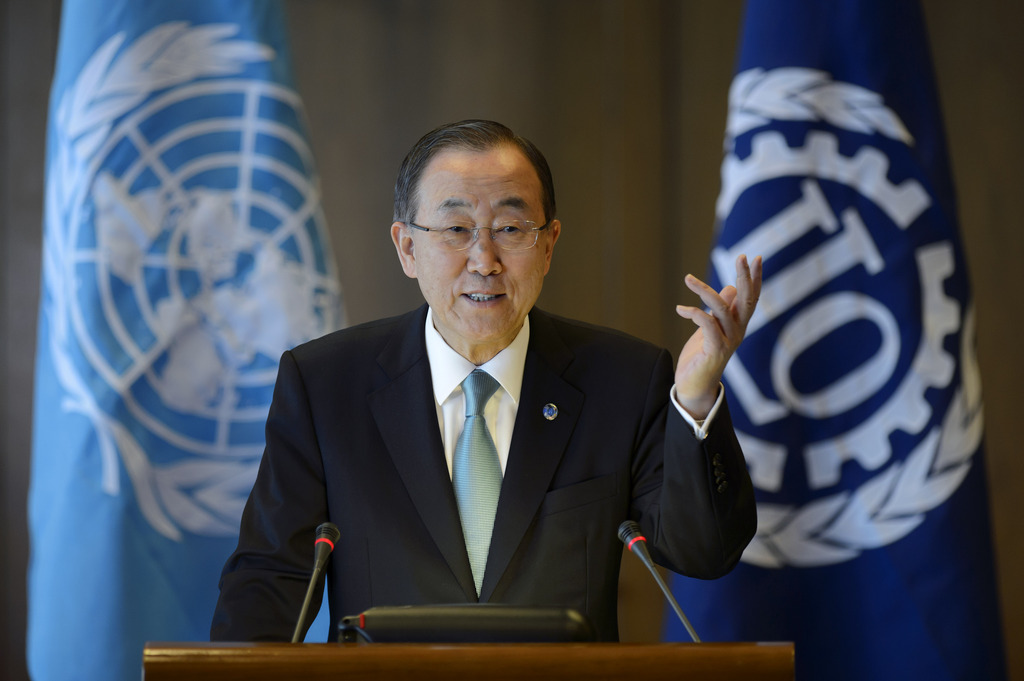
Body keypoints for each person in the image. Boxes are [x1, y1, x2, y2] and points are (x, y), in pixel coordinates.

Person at [210, 119, 762, 642]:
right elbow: (268, 582)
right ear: (407, 247)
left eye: (510, 229)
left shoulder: (624, 380)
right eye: (455, 229)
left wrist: (695, 395)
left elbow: (703, 554)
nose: (484, 259)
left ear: (547, 246)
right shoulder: (325, 385)